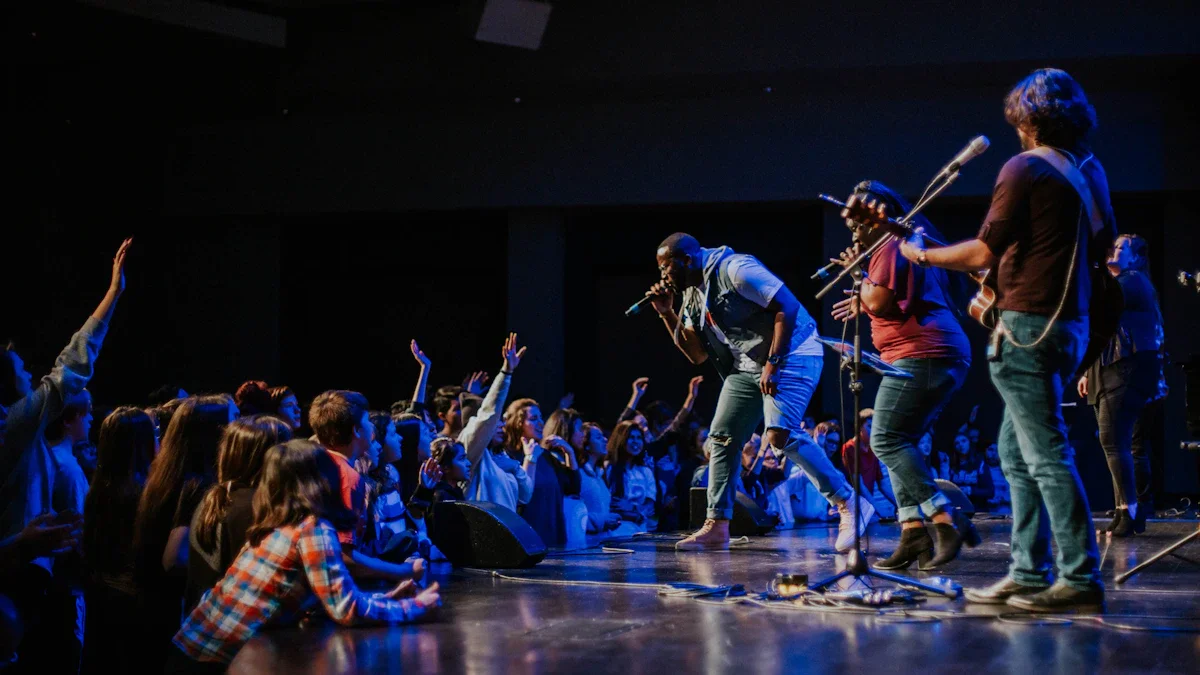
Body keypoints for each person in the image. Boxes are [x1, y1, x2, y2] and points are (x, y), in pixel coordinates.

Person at [899, 68, 1112, 612]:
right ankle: (1027, 572)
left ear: (1030, 117)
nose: (1015, 129)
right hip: (1069, 327)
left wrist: (920, 255)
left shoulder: (1024, 168)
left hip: (1026, 329)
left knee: (1044, 455)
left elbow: (982, 253)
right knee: (1014, 453)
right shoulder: (1091, 173)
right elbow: (1092, 255)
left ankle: (1079, 577)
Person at [645, 233, 870, 551]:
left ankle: (849, 503)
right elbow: (696, 355)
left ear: (686, 260)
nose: (662, 276)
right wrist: (666, 312)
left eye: (665, 268)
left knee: (781, 435)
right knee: (722, 437)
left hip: (793, 352)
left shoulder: (736, 269)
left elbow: (787, 307)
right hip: (747, 365)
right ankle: (717, 525)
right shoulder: (691, 294)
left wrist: (774, 363)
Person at [169, 440, 440, 671]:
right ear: (322, 479)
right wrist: (414, 607)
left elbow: (331, 599)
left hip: (194, 646)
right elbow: (345, 610)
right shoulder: (311, 528)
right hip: (209, 660)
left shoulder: (276, 522)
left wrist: (384, 598)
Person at [831, 180, 980, 569]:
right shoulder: (898, 244)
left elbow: (879, 298)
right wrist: (864, 295)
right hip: (927, 354)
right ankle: (913, 534)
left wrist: (859, 277)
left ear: (877, 212)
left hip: (923, 353)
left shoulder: (891, 243)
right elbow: (889, 302)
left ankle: (947, 518)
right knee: (901, 443)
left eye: (861, 220)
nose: (855, 228)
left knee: (885, 439)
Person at [132, 395, 230, 671]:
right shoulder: (197, 485)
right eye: (232, 423)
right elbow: (174, 558)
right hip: (174, 617)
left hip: (153, 611)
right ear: (214, 435)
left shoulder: (167, 476)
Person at [1077, 234, 1164, 536]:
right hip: (1110, 368)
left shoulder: (1133, 280)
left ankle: (1131, 510)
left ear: (1136, 258)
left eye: (1120, 248)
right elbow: (1101, 331)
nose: (1112, 250)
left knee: (1115, 440)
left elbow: (1098, 303)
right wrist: (1088, 371)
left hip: (1128, 368)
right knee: (1114, 441)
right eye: (1112, 246)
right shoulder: (1117, 282)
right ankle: (1123, 511)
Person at [187, 416, 293, 610]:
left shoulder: (213, 498)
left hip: (209, 621)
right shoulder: (254, 508)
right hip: (243, 629)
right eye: (286, 450)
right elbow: (263, 586)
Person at [80, 407, 155, 675]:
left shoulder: (98, 487)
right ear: (142, 442)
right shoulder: (142, 494)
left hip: (101, 592)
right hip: (130, 598)